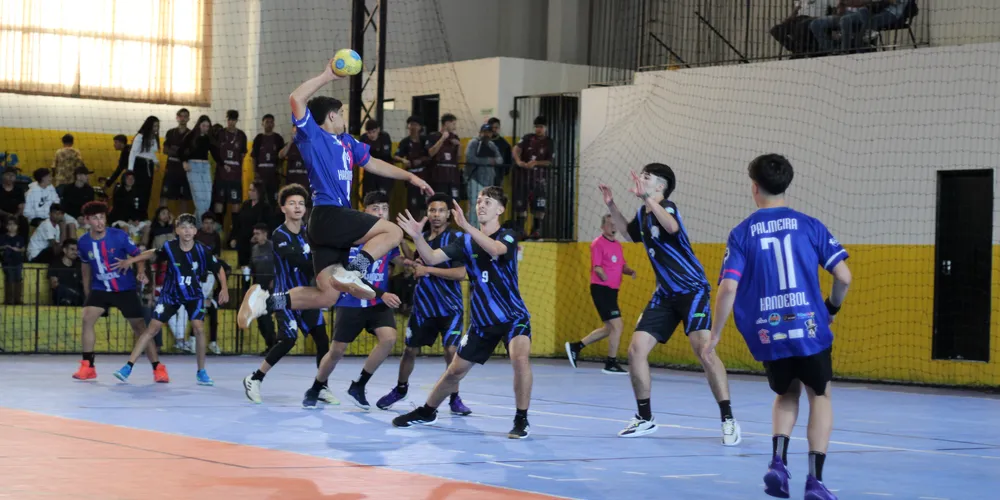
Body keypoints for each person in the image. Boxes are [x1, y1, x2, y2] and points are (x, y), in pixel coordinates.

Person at [237, 58, 432, 330]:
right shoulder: (312, 137)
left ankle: (265, 302)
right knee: (394, 233)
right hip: (330, 214)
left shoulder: (348, 143)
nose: (343, 119)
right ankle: (353, 273)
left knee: (328, 295)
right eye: (341, 114)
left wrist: (410, 176)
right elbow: (296, 98)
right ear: (331, 116)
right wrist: (327, 75)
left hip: (326, 225)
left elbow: (373, 163)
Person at [708, 154, 850, 500]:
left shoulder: (742, 233)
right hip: (810, 328)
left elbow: (728, 288)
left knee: (785, 394)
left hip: (769, 331)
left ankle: (778, 462)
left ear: (754, 187)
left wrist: (715, 334)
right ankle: (814, 480)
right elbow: (844, 276)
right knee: (820, 395)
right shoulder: (810, 225)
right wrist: (831, 307)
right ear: (787, 184)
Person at [599, 164, 741, 445]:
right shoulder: (643, 213)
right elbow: (630, 234)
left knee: (705, 351)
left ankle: (728, 419)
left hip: (692, 290)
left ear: (660, 187)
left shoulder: (668, 207)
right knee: (636, 349)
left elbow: (671, 227)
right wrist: (612, 204)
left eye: (647, 177)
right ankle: (645, 418)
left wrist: (646, 198)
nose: (641, 179)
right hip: (665, 294)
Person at [392, 187, 533, 439]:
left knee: (519, 358)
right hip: (482, 321)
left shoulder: (508, 235)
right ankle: (427, 412)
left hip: (513, 316)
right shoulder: (465, 241)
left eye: (487, 202)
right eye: (479, 201)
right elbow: (432, 258)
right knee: (455, 371)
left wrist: (466, 226)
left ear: (500, 209)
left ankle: (521, 420)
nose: (481, 205)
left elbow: (496, 250)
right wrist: (417, 237)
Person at [301, 190, 404, 409]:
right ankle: (317, 386)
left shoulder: (387, 238)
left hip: (376, 302)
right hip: (351, 300)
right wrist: (381, 293)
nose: (381, 213)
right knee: (337, 351)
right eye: (375, 209)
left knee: (389, 339)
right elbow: (348, 274)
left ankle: (359, 385)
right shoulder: (351, 237)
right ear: (364, 212)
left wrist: (415, 252)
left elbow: (401, 261)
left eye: (384, 208)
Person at [375, 193, 470, 415]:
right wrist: (401, 243)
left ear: (449, 215)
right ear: (427, 213)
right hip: (424, 307)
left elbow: (461, 273)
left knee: (451, 350)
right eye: (432, 210)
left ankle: (454, 398)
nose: (436, 215)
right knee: (409, 350)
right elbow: (418, 263)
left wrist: (428, 270)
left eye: (441, 211)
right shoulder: (422, 238)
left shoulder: (456, 238)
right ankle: (400, 389)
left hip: (450, 308)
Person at [243, 184, 336, 404]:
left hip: (309, 296)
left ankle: (321, 387)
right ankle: (255, 378)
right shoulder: (279, 235)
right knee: (288, 340)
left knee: (322, 340)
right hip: (287, 296)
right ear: (283, 208)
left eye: (301, 204)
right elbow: (299, 262)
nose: (297, 207)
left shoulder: (310, 233)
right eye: (292, 203)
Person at [111, 213, 229, 385]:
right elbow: (151, 253)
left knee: (198, 328)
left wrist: (224, 288)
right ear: (177, 230)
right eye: (183, 227)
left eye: (190, 227)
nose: (187, 231)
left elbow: (219, 268)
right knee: (152, 328)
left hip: (193, 295)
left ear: (195, 231)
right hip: (170, 295)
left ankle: (201, 371)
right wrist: (131, 261)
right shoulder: (170, 247)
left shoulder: (202, 250)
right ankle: (128, 367)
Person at [73, 201, 165, 382]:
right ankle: (88, 366)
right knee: (87, 319)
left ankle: (158, 368)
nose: (99, 222)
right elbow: (85, 268)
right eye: (95, 219)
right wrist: (87, 293)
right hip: (100, 289)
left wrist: (140, 272)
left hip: (124, 288)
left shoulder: (119, 236)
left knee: (140, 328)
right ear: (87, 220)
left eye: (102, 218)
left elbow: (137, 255)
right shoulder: (83, 242)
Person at [565, 214, 636, 374]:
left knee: (609, 328)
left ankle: (576, 346)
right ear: (602, 227)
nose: (613, 227)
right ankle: (610, 363)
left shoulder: (618, 245)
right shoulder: (598, 244)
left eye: (615, 225)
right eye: (610, 224)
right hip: (601, 289)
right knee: (618, 325)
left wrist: (629, 271)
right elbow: (597, 266)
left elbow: (621, 265)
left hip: (612, 291)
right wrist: (602, 274)